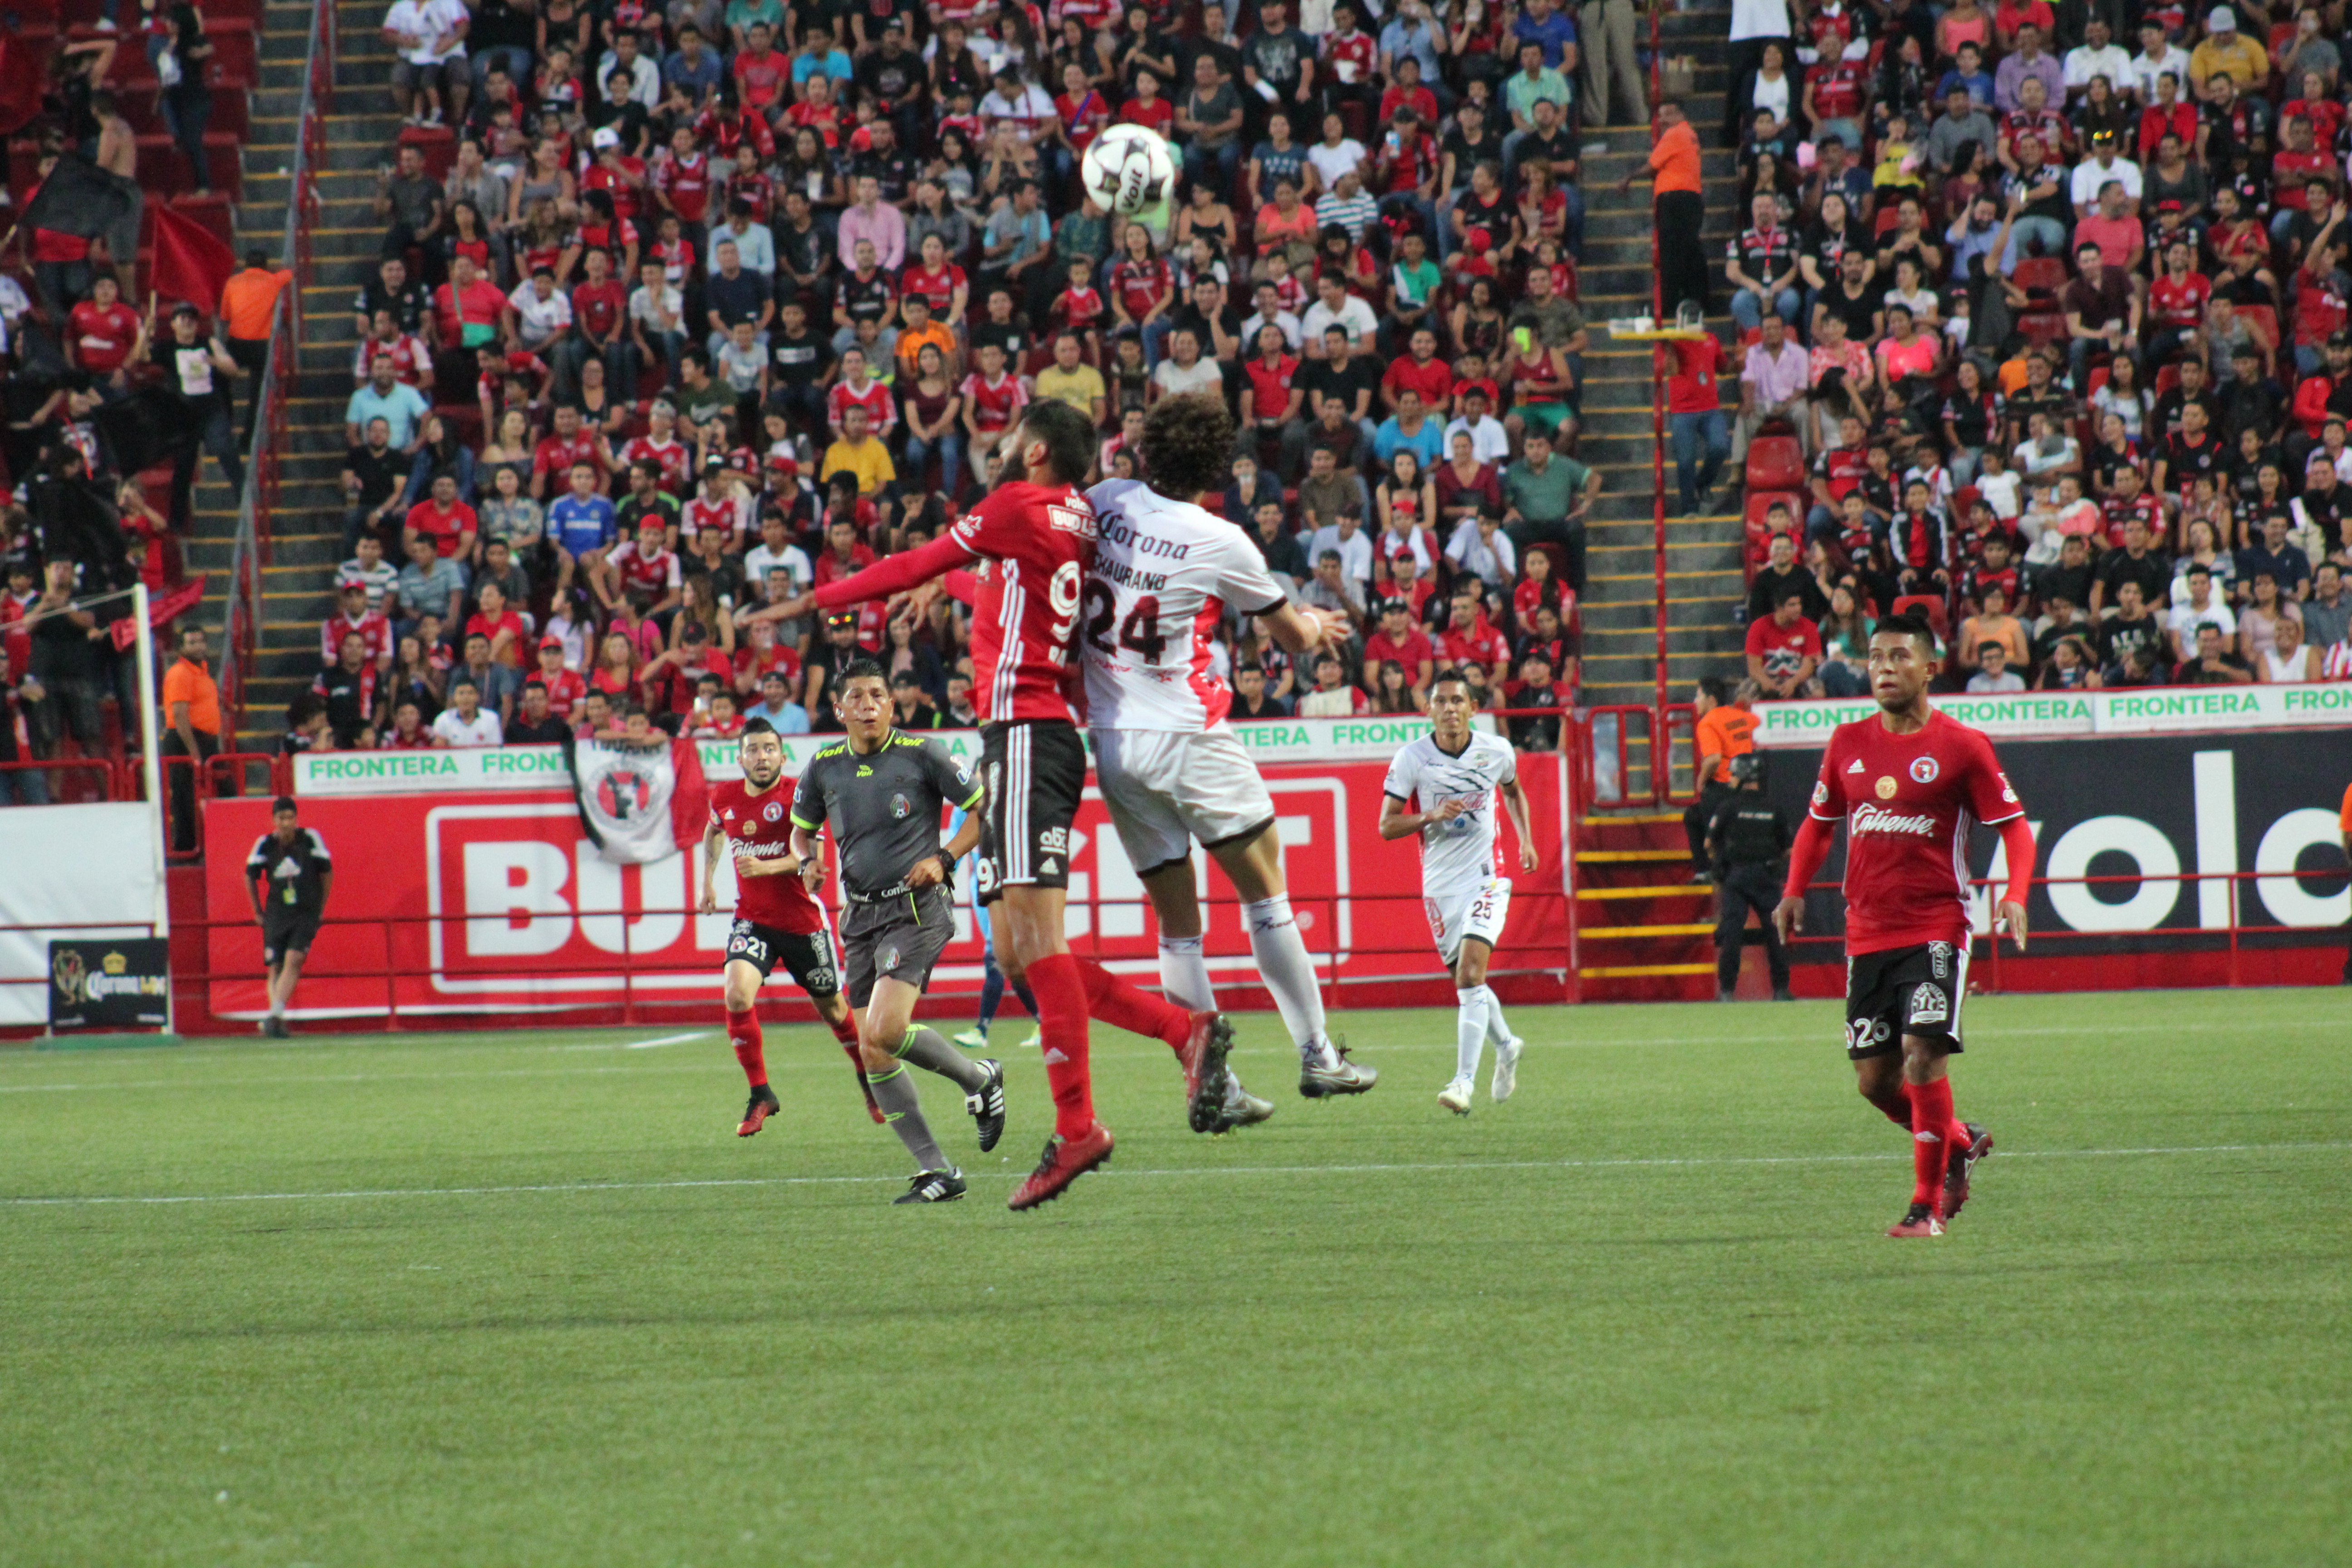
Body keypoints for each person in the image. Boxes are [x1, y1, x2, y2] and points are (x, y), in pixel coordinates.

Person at [769, 400, 1225, 1211]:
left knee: (1038, 944)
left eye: (1015, 438)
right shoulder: (1079, 517)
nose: (1006, 447)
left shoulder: (1015, 502)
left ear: (1036, 450)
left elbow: (914, 560)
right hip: (1038, 737)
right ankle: (1177, 1030)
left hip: (1023, 735)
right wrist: (950, 583)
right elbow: (1002, 581)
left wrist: (818, 602)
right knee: (1016, 955)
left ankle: (1079, 1125)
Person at [1085, 394, 1379, 1128]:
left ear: (1144, 452)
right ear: (1216, 465)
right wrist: (1314, 621)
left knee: (1176, 926)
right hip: (1187, 734)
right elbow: (1293, 638)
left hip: (1113, 742)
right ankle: (1317, 1054)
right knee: (1266, 892)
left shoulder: (1104, 502)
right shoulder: (1220, 537)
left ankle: (1210, 1081)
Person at [1773, 611, 2034, 1238]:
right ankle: (1959, 1140)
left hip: (1937, 926)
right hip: (1867, 932)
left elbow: (2016, 829)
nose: (1884, 669)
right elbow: (1818, 825)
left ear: (1930, 668)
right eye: (1875, 658)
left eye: (1898, 657)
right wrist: (1793, 890)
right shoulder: (1847, 742)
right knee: (1874, 1082)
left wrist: (2015, 893)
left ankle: (1925, 1207)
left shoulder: (1963, 746)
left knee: (1923, 1052)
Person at [786, 662, 1000, 1204]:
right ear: (839, 710)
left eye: (878, 695)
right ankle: (938, 1171)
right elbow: (800, 833)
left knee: (885, 1029)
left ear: (891, 704)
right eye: (856, 697)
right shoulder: (824, 766)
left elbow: (984, 812)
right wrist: (807, 861)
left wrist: (944, 858)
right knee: (873, 1051)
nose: (868, 705)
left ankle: (978, 1078)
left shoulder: (924, 753)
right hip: (859, 916)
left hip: (916, 909)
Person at [696, 717, 874, 1138]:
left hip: (801, 924)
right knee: (736, 994)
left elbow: (810, 859)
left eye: (769, 749)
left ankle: (868, 1075)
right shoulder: (724, 796)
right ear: (740, 757)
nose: (762, 757)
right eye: (753, 750)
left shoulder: (800, 795)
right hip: (753, 920)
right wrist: (707, 880)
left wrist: (767, 867)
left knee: (835, 1010)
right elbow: (714, 830)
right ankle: (761, 1093)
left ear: (782, 755)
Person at [1380, 670, 1539, 1116]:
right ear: (1428, 710)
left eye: (1457, 701)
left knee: (1470, 976)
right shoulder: (1412, 759)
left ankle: (1463, 1082)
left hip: (1487, 877)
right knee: (1468, 981)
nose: (1450, 708)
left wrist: (1526, 840)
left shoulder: (1497, 750)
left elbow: (1514, 792)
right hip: (1439, 886)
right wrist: (1430, 815)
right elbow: (1387, 826)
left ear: (1473, 709)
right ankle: (1506, 1046)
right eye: (1441, 701)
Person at [1705, 754, 1792, 1002]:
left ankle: (1727, 992)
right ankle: (1781, 990)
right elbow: (1788, 848)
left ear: (1741, 776)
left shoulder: (1728, 807)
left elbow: (1709, 844)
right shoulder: (1774, 808)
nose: (1731, 780)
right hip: (1766, 877)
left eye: (1733, 775)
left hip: (1736, 877)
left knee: (1731, 933)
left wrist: (1722, 863)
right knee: (1775, 933)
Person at [244, 796, 333, 1039]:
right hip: (276, 912)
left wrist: (320, 907)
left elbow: (327, 873)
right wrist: (257, 910)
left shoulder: (310, 839)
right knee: (275, 965)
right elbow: (250, 875)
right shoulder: (265, 844)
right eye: (281, 818)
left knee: (295, 958)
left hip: (305, 911)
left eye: (290, 818)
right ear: (274, 820)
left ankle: (274, 1016)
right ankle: (276, 1019)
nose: (286, 823)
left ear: (296, 819)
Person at [1621, 100, 1707, 319]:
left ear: (1681, 115)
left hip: (1675, 200)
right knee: (1690, 251)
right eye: (1660, 116)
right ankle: (1697, 300)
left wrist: (1629, 177)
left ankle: (1669, 307)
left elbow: (1652, 166)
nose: (1663, 120)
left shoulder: (1675, 134)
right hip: (1690, 199)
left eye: (1668, 114)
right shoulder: (1690, 134)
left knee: (1671, 254)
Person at [1685, 674, 1756, 881]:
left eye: (1698, 696)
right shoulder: (1742, 716)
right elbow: (1758, 724)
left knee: (1711, 831)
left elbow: (1713, 759)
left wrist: (1701, 781)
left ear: (1711, 700)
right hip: (1747, 788)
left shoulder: (1708, 723)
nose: (1695, 701)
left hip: (1722, 788)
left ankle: (1709, 872)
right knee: (1693, 816)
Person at [161, 625, 220, 854]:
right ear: (181, 648)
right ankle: (186, 849)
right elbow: (179, 715)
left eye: (201, 641)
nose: (198, 647)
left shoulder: (201, 671)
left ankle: (212, 843)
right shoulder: (180, 673)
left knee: (219, 788)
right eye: (192, 643)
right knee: (185, 795)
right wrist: (193, 750)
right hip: (185, 739)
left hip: (204, 739)